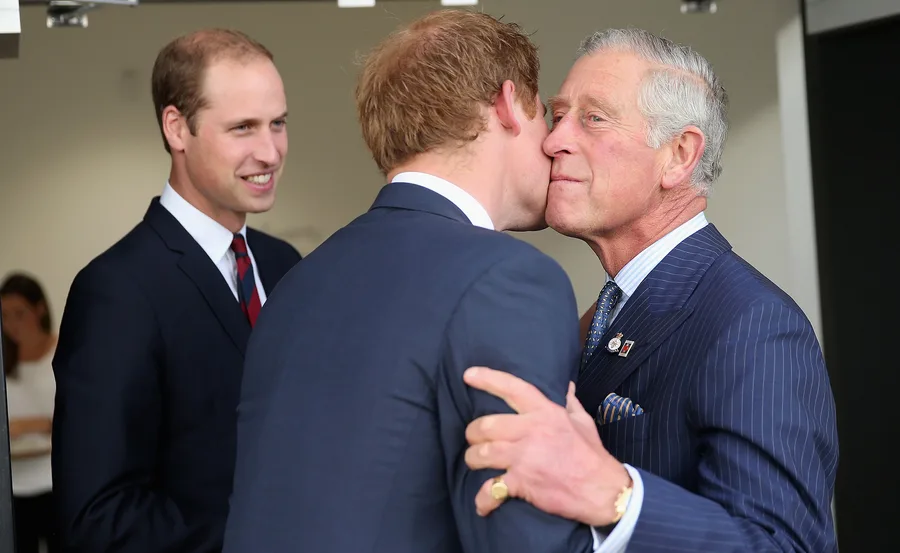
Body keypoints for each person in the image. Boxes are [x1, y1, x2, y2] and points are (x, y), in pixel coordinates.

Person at [223, 9, 598, 553]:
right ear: (507, 105)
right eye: (543, 112)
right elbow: (525, 536)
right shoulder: (509, 279)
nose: (552, 141)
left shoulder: (297, 284)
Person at [461, 28, 839, 552]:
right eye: (557, 114)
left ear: (680, 155)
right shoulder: (598, 315)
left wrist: (618, 497)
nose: (553, 140)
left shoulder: (754, 325)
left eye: (592, 118)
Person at [51, 28, 301, 553]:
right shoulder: (116, 291)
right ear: (176, 128)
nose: (270, 151)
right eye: (242, 128)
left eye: (277, 124)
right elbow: (98, 518)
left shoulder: (284, 267)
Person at [1, 273, 60, 553]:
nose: (12, 324)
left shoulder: (63, 352)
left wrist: (30, 425)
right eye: (4, 315)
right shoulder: (5, 361)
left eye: (19, 313)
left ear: (40, 309)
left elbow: (80, 419)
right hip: (14, 485)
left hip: (55, 480)